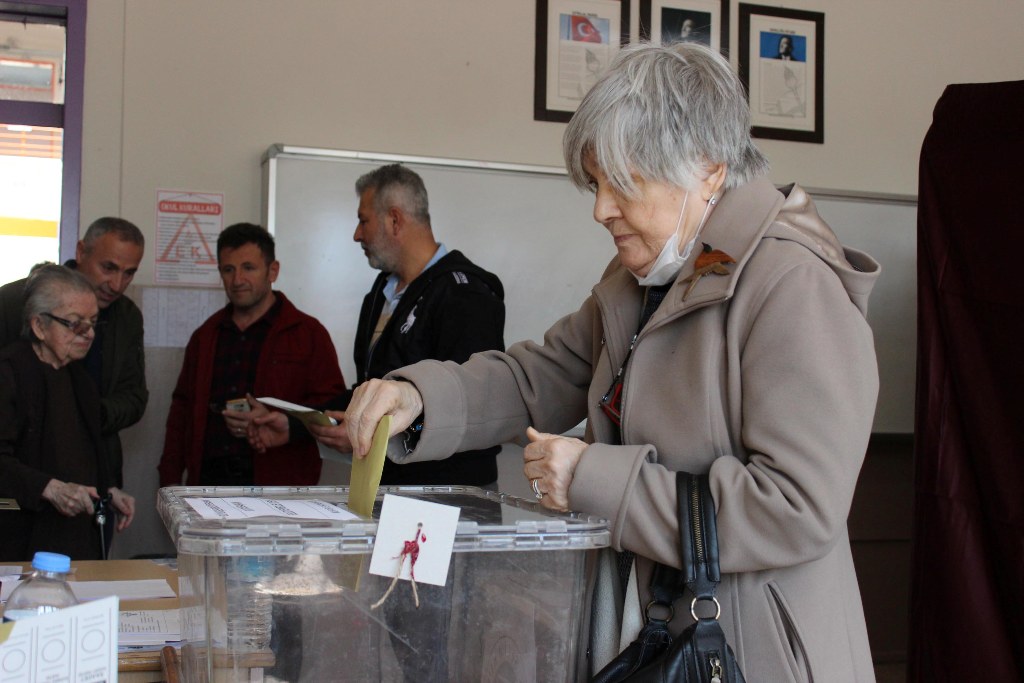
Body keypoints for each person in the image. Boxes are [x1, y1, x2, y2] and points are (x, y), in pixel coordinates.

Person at [343, 43, 880, 682]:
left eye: (622, 183)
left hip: (749, 651)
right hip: (646, 631)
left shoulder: (794, 284)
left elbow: (796, 506)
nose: (600, 209)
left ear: (708, 167)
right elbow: (538, 375)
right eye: (596, 185)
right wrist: (419, 397)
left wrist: (594, 480)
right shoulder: (643, 278)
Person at [252, 164, 505, 487]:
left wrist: (374, 436)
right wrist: (294, 425)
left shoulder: (464, 293)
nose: (357, 234)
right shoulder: (381, 292)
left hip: (450, 497)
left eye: (363, 220)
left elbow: (470, 408)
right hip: (386, 488)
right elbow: (370, 388)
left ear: (394, 220)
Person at [157, 223, 345, 486]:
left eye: (248, 268)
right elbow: (181, 411)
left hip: (279, 487)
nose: (237, 280)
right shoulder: (206, 336)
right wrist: (169, 478)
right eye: (228, 269)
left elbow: (332, 410)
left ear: (273, 271)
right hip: (208, 485)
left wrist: (284, 422)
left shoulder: (308, 334)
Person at [0, 217, 148, 495]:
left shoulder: (126, 317)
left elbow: (134, 397)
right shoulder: (13, 301)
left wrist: (82, 416)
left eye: (129, 273)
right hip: (19, 480)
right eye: (108, 268)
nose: (117, 284)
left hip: (94, 475)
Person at [0, 265, 135, 561]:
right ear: (39, 325)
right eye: (75, 324)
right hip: (21, 540)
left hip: (74, 539)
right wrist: (48, 488)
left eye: (93, 323)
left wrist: (109, 490)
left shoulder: (79, 378)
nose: (88, 334)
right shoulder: (9, 373)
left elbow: (85, 453)